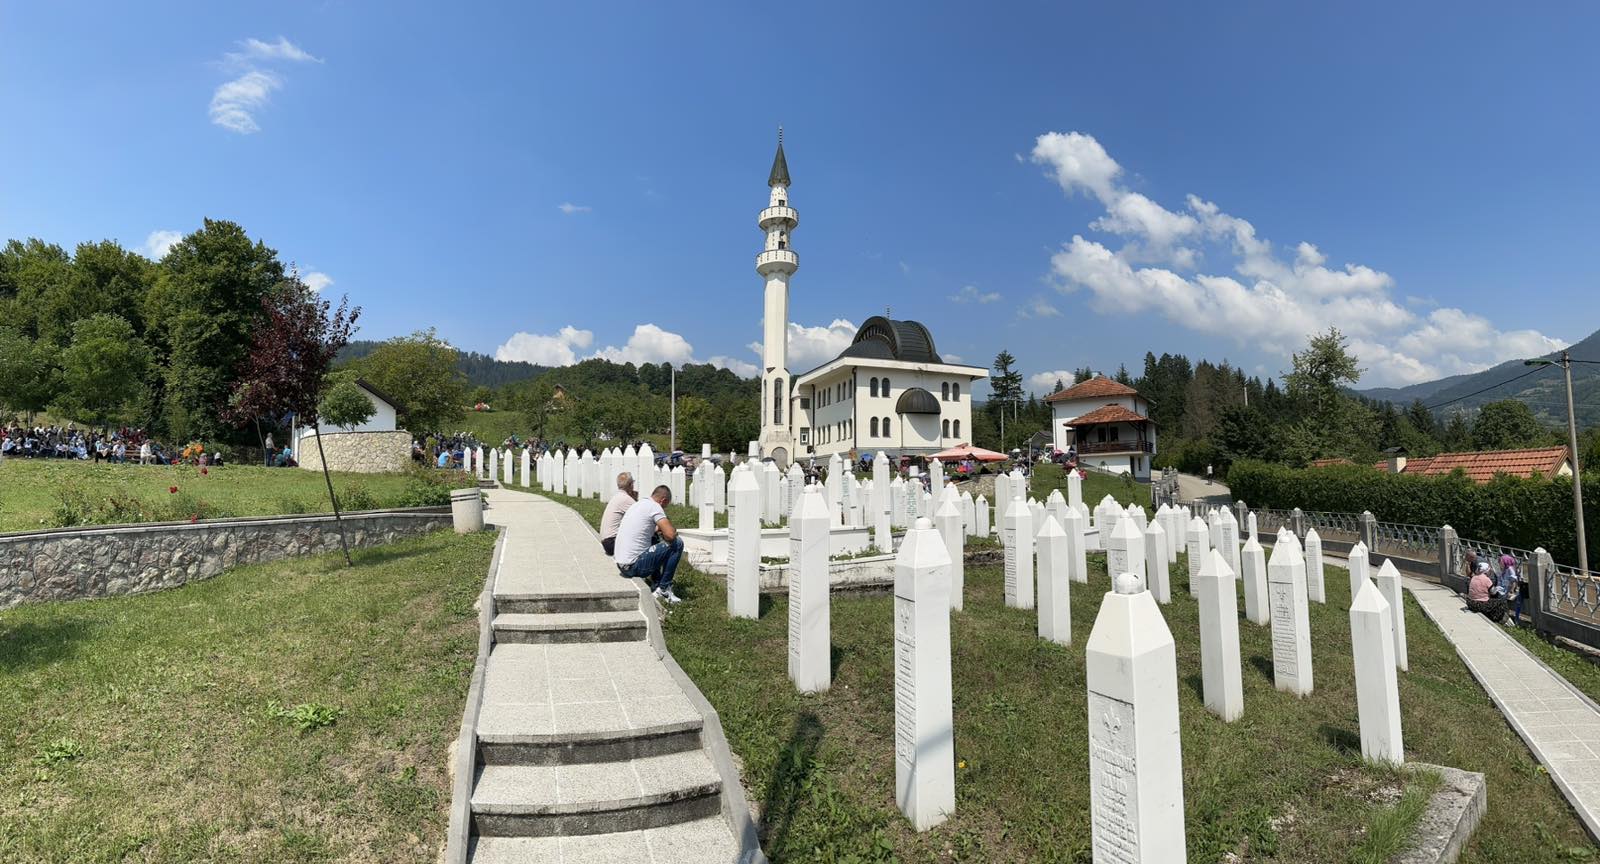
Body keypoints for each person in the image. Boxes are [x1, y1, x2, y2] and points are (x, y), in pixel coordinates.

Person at [613, 484, 683, 603]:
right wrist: (670, 531)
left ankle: (657, 583)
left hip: (622, 565)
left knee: (654, 538)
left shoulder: (638, 504)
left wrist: (657, 530)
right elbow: (670, 535)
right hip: (634, 567)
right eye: (665, 506)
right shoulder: (655, 507)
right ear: (663, 500)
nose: (664, 509)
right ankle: (664, 589)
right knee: (677, 543)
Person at [598, 472, 638, 556]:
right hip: (612, 542)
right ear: (630, 485)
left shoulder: (617, 496)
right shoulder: (626, 499)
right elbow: (641, 515)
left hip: (606, 541)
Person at [1498, 554, 1525, 627]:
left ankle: (1504, 616)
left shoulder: (1510, 569)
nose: (1500, 563)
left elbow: (1514, 581)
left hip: (1506, 589)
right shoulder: (1504, 569)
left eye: (1501, 562)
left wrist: (1511, 591)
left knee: (1499, 596)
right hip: (1502, 588)